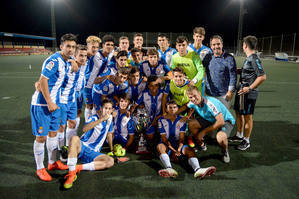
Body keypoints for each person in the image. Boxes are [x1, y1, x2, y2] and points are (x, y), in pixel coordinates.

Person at [31, 33, 77, 181]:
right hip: (43, 104)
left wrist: (73, 60)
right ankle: (40, 168)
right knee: (41, 137)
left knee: (53, 134)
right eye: (68, 46)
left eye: (73, 47)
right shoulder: (54, 60)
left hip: (55, 104)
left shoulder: (65, 60)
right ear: (61, 46)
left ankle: (52, 163)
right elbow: (43, 81)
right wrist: (50, 102)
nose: (71, 49)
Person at [157, 100, 216, 179]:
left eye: (174, 107)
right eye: (170, 107)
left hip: (178, 144)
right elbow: (164, 139)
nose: (172, 109)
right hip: (167, 144)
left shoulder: (182, 120)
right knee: (160, 146)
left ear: (177, 109)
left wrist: (179, 149)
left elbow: (182, 138)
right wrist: (174, 151)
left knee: (190, 150)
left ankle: (198, 170)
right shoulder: (161, 120)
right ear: (166, 109)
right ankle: (169, 168)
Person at [63, 99, 115, 189]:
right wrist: (102, 119)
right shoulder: (94, 118)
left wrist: (112, 149)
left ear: (112, 110)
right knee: (74, 138)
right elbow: (84, 129)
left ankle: (78, 167)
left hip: (94, 152)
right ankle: (71, 174)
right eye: (106, 108)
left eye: (109, 109)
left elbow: (109, 134)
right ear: (101, 108)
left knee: (110, 161)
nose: (107, 110)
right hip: (82, 146)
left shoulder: (110, 119)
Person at [232, 35, 266, 150]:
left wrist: (249, 88)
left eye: (243, 44)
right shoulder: (249, 58)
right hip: (242, 90)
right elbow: (249, 71)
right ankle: (239, 135)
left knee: (247, 116)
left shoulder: (254, 58)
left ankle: (246, 140)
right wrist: (238, 71)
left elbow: (262, 76)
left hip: (248, 93)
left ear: (245, 45)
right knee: (238, 112)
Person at [186, 86, 235, 163]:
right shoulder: (192, 102)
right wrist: (175, 114)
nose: (193, 99)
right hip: (211, 119)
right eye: (191, 97)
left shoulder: (210, 103)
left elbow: (221, 121)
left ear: (199, 93)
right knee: (191, 124)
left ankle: (225, 151)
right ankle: (201, 144)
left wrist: (203, 132)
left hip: (225, 120)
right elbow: (186, 106)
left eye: (195, 96)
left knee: (220, 137)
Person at [57, 45, 88, 155]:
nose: (83, 58)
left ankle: (68, 148)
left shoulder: (83, 65)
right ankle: (61, 151)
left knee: (72, 124)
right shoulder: (68, 65)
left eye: (85, 56)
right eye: (81, 56)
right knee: (61, 127)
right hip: (63, 99)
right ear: (75, 55)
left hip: (74, 99)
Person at [202, 35, 237, 109]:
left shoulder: (229, 58)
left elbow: (233, 75)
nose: (216, 46)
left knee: (224, 117)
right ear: (211, 46)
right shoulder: (207, 57)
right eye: (214, 45)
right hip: (210, 94)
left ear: (222, 44)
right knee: (211, 117)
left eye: (218, 44)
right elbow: (200, 69)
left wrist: (230, 91)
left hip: (224, 94)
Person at [130, 76, 164, 146]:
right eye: (151, 86)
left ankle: (159, 141)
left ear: (158, 86)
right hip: (148, 119)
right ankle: (143, 140)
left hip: (160, 118)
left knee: (161, 131)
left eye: (156, 85)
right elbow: (135, 105)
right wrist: (129, 114)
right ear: (148, 86)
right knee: (150, 135)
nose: (154, 88)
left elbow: (167, 110)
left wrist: (157, 119)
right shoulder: (144, 94)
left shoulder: (163, 94)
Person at [83, 35, 101, 121]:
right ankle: (87, 125)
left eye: (97, 47)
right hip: (86, 86)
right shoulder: (82, 56)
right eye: (93, 47)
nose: (95, 49)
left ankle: (93, 124)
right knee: (88, 105)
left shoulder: (97, 56)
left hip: (95, 85)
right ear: (88, 46)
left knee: (95, 105)